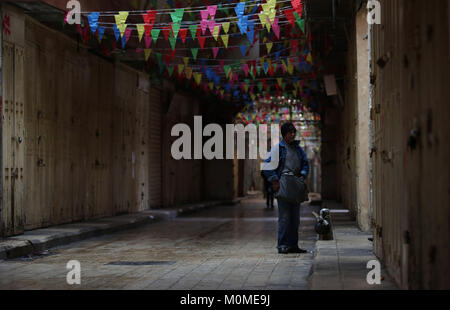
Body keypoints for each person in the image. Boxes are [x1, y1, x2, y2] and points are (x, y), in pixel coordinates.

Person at [263, 123, 310, 254]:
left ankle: (293, 245)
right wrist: (274, 180)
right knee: (284, 217)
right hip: (283, 183)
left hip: (295, 184)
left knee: (295, 218)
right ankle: (282, 245)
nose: (293, 135)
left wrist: (303, 175)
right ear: (284, 134)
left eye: (294, 132)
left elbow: (305, 163)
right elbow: (267, 165)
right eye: (290, 132)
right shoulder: (278, 149)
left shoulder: (298, 149)